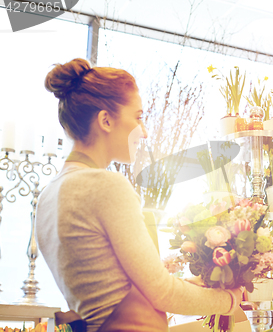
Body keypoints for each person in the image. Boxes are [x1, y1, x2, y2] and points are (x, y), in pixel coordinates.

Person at [37, 58, 243, 332]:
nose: (144, 132)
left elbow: (112, 289)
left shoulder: (48, 196)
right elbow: (162, 292)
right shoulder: (105, 185)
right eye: (138, 117)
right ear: (106, 120)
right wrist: (231, 300)